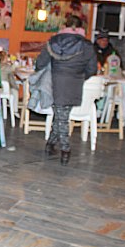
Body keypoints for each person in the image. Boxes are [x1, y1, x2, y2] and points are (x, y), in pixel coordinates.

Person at [35, 15, 97, 165]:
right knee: (62, 116)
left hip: (55, 82)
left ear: (65, 25)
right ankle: (58, 147)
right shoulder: (87, 46)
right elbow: (92, 69)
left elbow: (40, 64)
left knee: (61, 116)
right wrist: (79, 76)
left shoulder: (53, 41)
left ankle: (60, 147)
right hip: (74, 83)